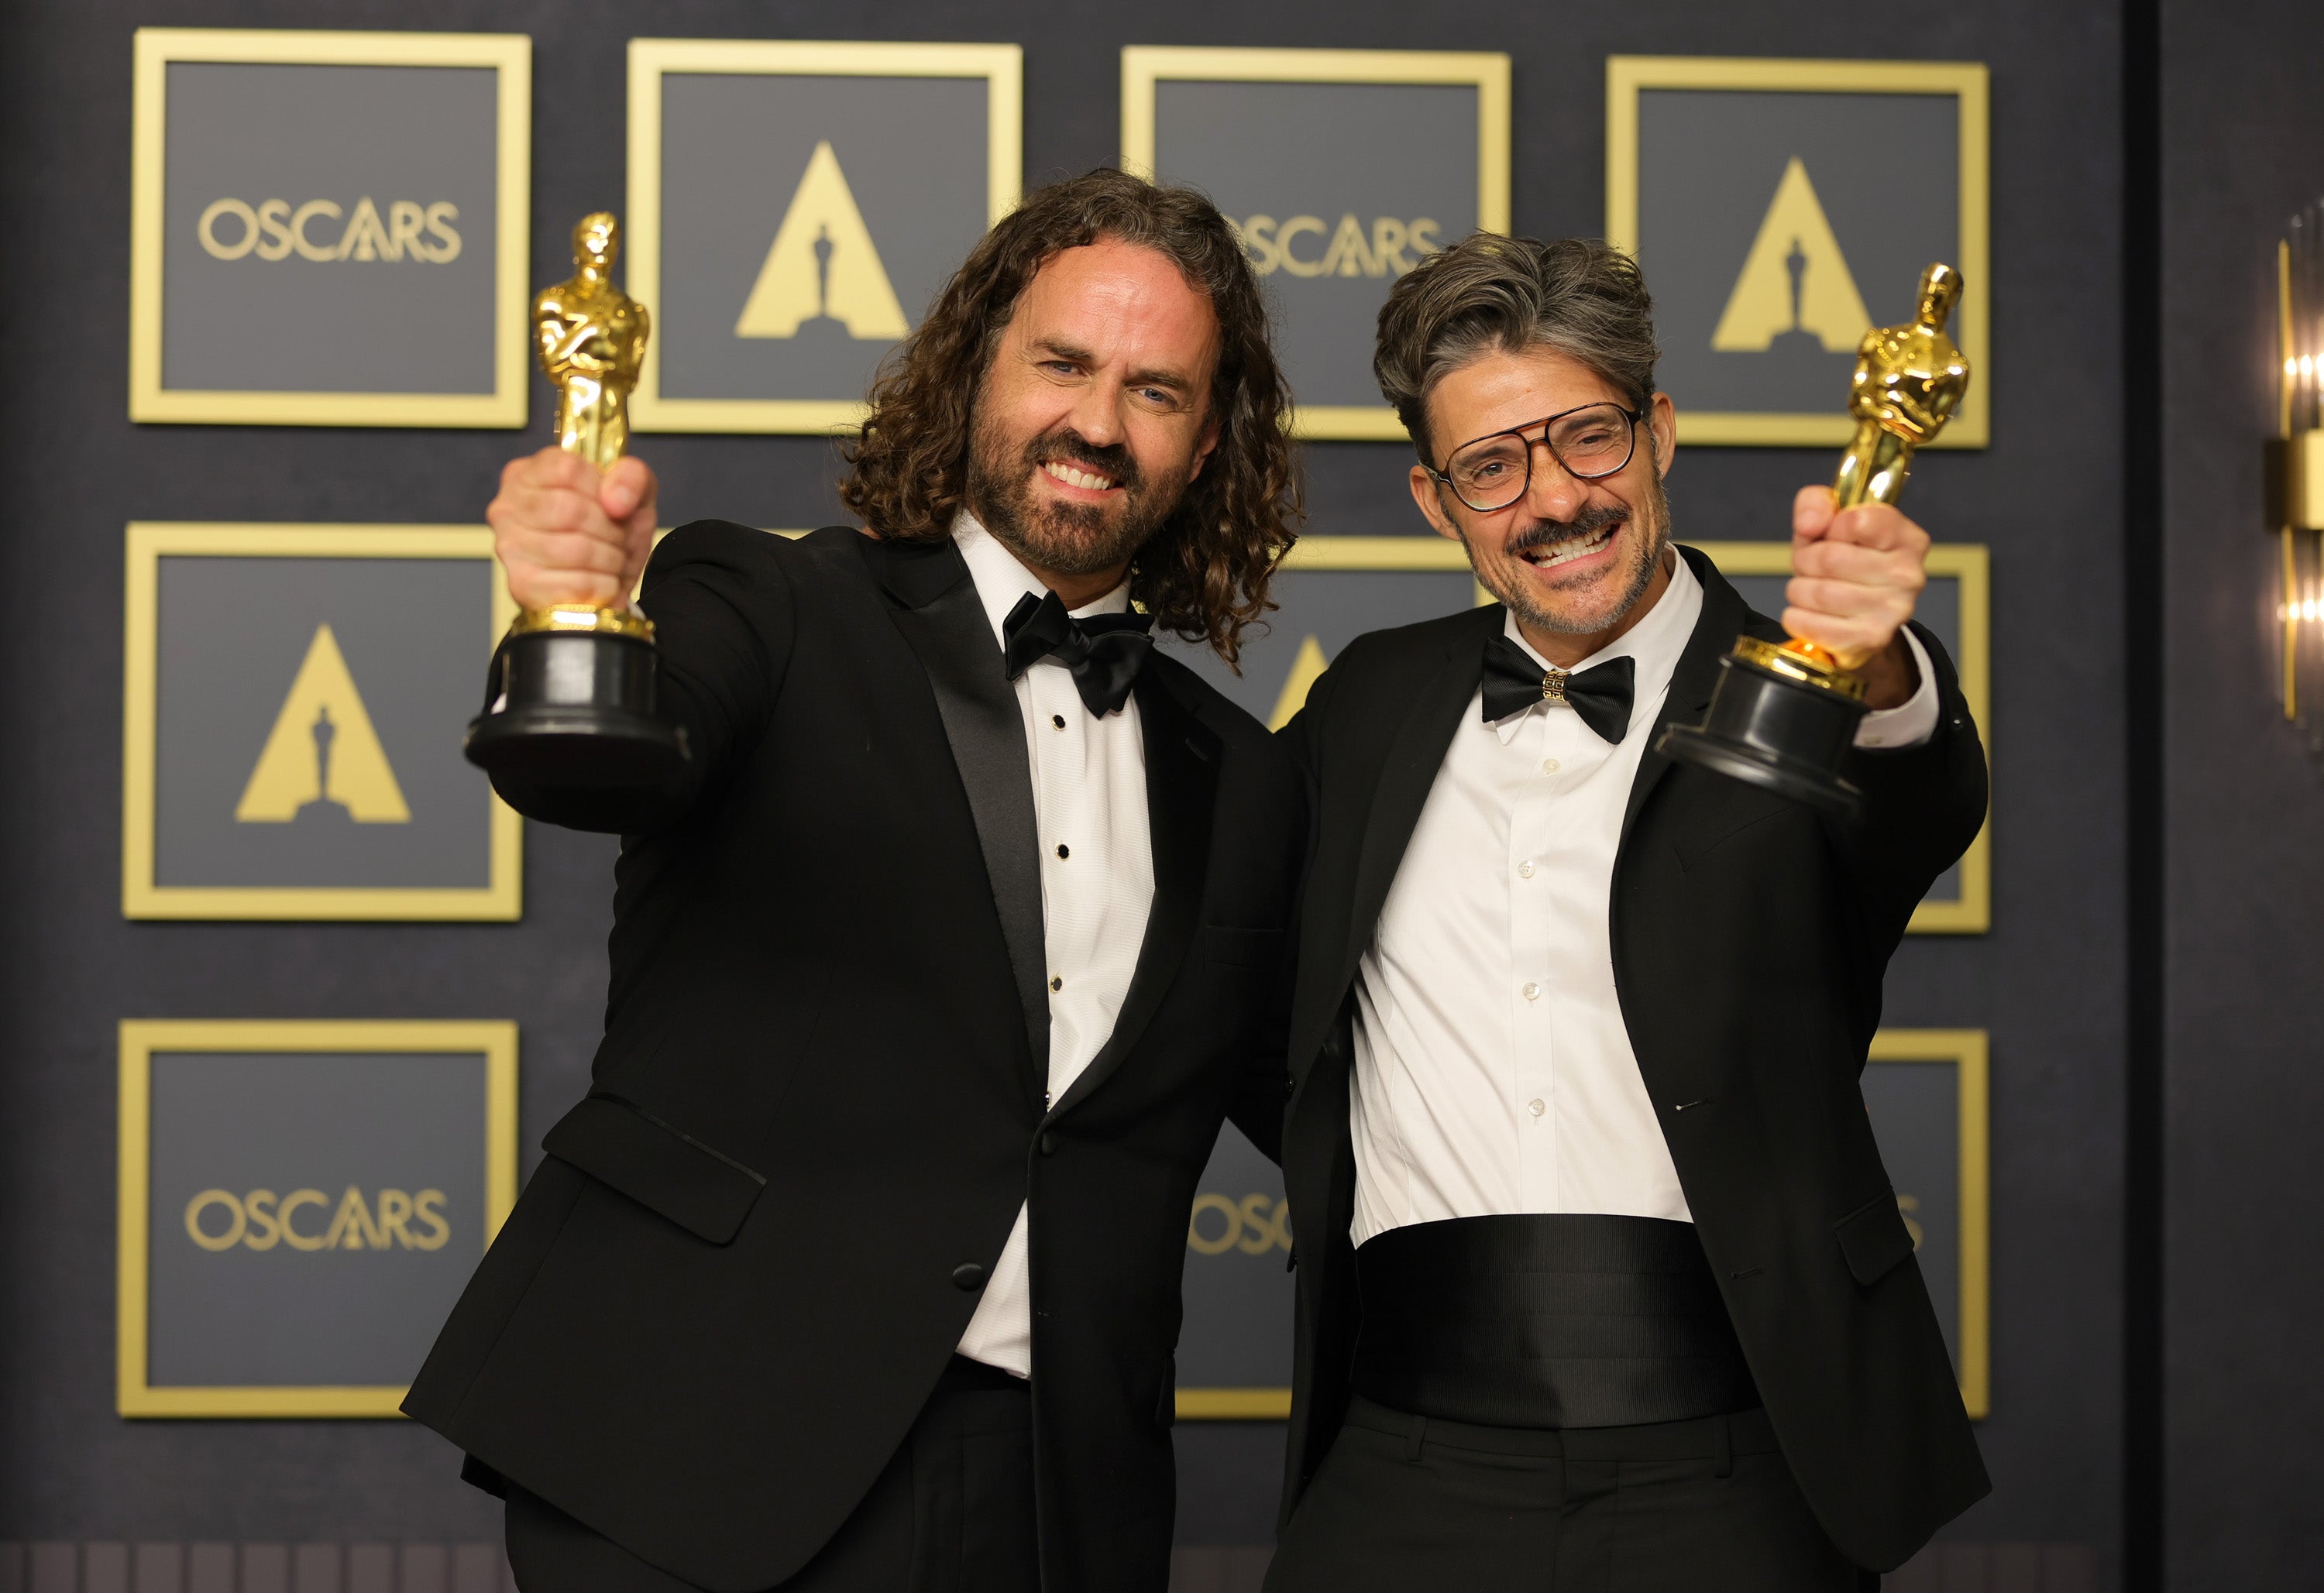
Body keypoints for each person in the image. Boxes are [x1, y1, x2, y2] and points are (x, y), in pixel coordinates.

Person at [402, 169, 1305, 1593]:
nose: (1096, 422)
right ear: (974, 374)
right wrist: (573, 614)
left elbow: (1338, 1104)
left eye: (1156, 391)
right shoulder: (764, 602)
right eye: (1062, 364)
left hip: (1050, 1496)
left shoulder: (1240, 776)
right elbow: (598, 768)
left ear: (1204, 449)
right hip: (693, 1440)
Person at [1266, 235, 1990, 1591]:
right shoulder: (1366, 701)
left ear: (1656, 431)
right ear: (1436, 501)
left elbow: (1916, 796)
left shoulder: (1800, 689)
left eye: (1586, 437)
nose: (1554, 499)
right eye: (1492, 465)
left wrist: (1877, 663)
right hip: (1402, 1461)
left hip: (1738, 1461)